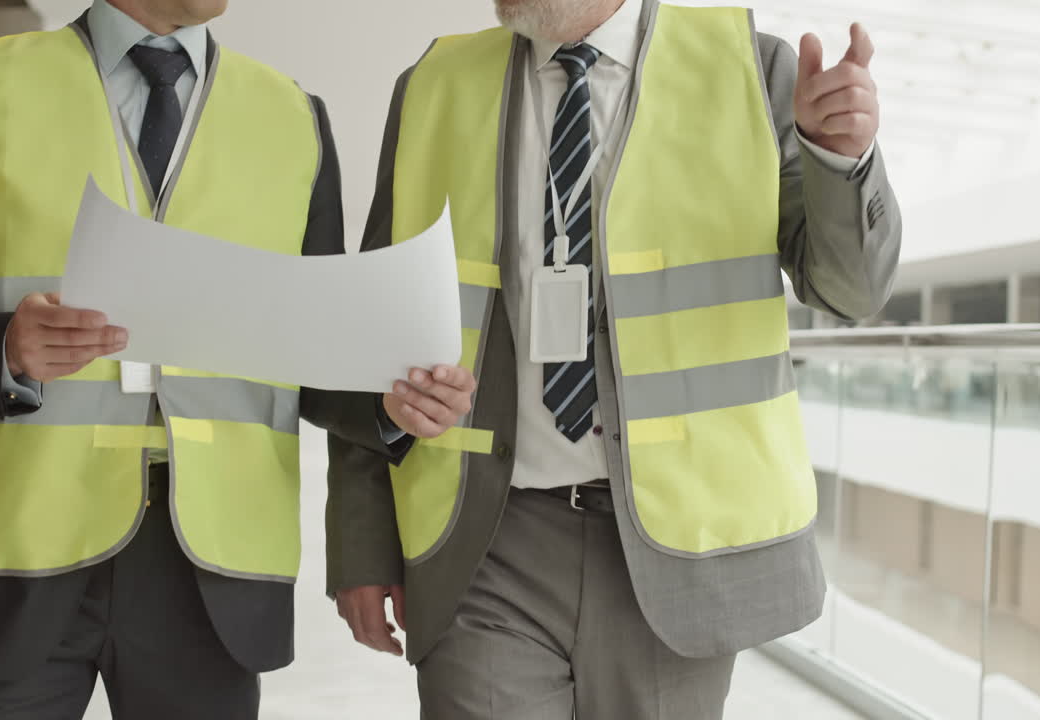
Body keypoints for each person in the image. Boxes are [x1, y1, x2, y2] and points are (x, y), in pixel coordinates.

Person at [0, 0, 475, 717]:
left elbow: (310, 354)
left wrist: (387, 403)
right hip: (15, 560)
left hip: (210, 578)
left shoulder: (292, 117)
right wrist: (3, 349)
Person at [328, 0, 901, 717]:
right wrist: (361, 543)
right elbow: (374, 333)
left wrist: (839, 160)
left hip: (675, 548)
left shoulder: (756, 68)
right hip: (487, 538)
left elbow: (849, 290)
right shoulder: (434, 84)